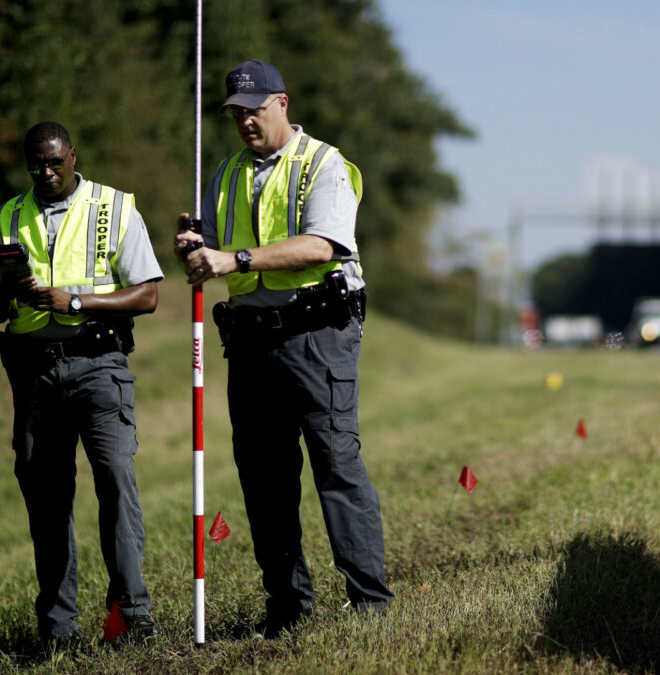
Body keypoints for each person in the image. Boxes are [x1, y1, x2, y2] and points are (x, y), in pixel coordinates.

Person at [174, 59, 393, 638]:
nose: (245, 120)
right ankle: (288, 607)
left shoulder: (323, 165)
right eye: (236, 112)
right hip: (250, 341)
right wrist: (196, 250)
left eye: (255, 108)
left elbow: (321, 245)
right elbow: (215, 254)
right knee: (263, 476)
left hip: (317, 333)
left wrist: (234, 259)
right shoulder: (224, 174)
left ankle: (371, 603)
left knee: (335, 463)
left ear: (282, 103)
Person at [0, 121, 163, 645]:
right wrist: (11, 290)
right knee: (46, 498)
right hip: (34, 373)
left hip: (100, 363)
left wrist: (77, 301)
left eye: (56, 161)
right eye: (37, 163)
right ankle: (58, 628)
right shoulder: (4, 219)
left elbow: (147, 294)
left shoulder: (114, 207)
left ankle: (130, 616)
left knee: (116, 484)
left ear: (73, 156)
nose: (47, 171)